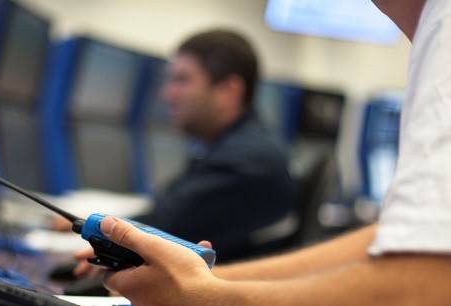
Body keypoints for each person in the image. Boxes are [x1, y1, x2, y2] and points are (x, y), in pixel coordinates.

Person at [81, 0, 451, 306]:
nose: (168, 94)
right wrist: (199, 282)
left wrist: (199, 300)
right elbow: (401, 241)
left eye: (182, 80)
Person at [58, 30, 296, 262]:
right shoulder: (236, 148)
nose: (167, 94)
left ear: (228, 91)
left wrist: (89, 225)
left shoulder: (245, 161)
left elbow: (160, 230)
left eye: (182, 80)